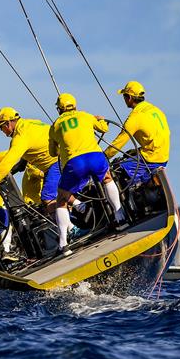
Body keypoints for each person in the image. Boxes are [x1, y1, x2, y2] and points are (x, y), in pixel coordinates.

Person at [49, 93, 126, 253]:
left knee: (61, 199)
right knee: (107, 178)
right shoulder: (85, 116)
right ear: (75, 106)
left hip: (75, 163)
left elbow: (52, 152)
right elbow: (104, 128)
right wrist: (100, 119)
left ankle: (63, 244)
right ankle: (120, 217)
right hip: (95, 157)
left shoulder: (55, 125)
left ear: (59, 109)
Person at [0, 107, 61, 210]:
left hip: (55, 164)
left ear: (7, 124)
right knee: (62, 194)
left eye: (1, 127)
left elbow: (8, 161)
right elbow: (36, 142)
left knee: (48, 198)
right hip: (65, 157)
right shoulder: (31, 123)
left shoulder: (20, 136)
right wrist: (21, 163)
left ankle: (68, 224)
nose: (2, 131)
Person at [103, 81, 170, 185]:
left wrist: (103, 157)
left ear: (129, 97)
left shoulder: (135, 117)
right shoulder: (156, 110)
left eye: (124, 96)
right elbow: (157, 137)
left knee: (117, 171)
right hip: (163, 156)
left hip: (150, 159)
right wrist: (136, 151)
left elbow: (118, 144)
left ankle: (123, 201)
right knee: (129, 158)